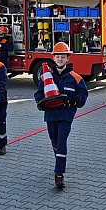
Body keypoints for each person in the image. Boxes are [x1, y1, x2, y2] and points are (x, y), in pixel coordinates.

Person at [33, 42, 88, 188]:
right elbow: (38, 93)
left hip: (66, 115)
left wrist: (75, 101)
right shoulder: (47, 77)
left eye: (63, 57)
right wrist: (39, 102)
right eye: (57, 57)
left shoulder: (75, 77)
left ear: (67, 58)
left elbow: (83, 93)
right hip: (51, 115)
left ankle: (59, 174)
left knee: (61, 142)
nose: (60, 59)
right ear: (54, 58)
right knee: (54, 141)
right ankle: (59, 158)